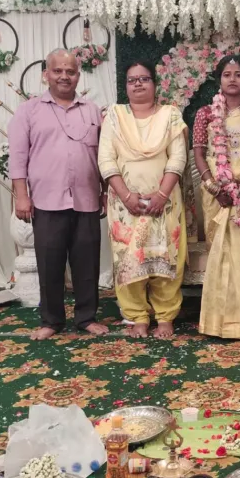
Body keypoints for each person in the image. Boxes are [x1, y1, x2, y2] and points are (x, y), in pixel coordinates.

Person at [8, 48, 109, 340]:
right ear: (46, 74)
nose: (64, 76)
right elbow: (18, 156)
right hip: (46, 200)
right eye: (58, 71)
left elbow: (103, 155)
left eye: (71, 71)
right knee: (50, 263)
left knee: (87, 262)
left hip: (86, 199)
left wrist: (103, 192)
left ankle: (86, 317)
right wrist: (21, 196)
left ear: (78, 75)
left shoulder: (91, 110)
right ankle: (51, 320)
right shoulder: (29, 111)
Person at [98, 61, 188, 339]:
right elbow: (105, 158)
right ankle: (136, 316)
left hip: (165, 201)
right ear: (125, 86)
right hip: (125, 205)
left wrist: (162, 194)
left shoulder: (170, 115)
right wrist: (125, 195)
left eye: (144, 79)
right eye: (132, 80)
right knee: (128, 260)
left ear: (155, 84)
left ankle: (165, 317)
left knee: (167, 258)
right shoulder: (114, 115)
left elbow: (178, 156)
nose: (138, 84)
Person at [193, 56, 240, 339]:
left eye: (238, 74)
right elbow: (200, 154)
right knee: (220, 254)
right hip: (217, 192)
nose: (233, 79)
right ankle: (216, 322)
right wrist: (214, 187)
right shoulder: (205, 113)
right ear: (219, 79)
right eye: (227, 74)